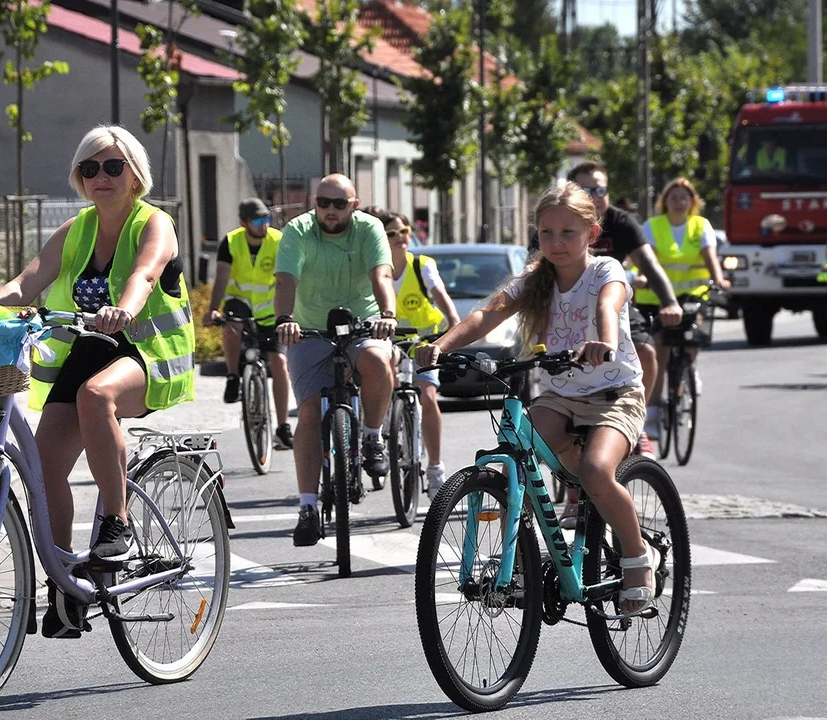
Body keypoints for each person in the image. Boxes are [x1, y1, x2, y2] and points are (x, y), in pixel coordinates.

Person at [0, 125, 194, 637]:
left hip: (146, 350)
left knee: (96, 395)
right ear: (79, 179)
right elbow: (27, 280)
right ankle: (66, 589)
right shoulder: (76, 230)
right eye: (89, 168)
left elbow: (144, 275)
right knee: (45, 464)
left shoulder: (155, 223)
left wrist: (123, 310)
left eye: (113, 166)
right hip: (88, 350)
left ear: (135, 172)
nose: (101, 177)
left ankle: (116, 525)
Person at [416, 181, 658, 615]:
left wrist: (603, 340)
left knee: (596, 473)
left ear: (592, 232)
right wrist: (442, 345)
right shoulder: (535, 279)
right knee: (516, 456)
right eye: (547, 233)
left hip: (614, 394)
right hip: (561, 397)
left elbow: (608, 305)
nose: (557, 243)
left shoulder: (606, 271)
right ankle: (524, 557)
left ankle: (638, 559)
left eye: (568, 233)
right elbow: (486, 313)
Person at [532, 162, 682, 528]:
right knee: (534, 440)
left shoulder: (620, 226)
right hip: (566, 363)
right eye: (588, 191)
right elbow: (508, 299)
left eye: (600, 191)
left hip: (612, 324)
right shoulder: (551, 244)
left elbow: (614, 298)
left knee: (645, 350)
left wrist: (669, 301)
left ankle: (635, 425)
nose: (595, 197)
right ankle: (532, 546)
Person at [275, 174, 398, 547]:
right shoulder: (297, 230)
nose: (329, 211)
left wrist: (388, 314)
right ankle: (308, 508)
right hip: (309, 329)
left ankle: (373, 436)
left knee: (378, 364)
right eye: (323, 203)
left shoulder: (370, 229)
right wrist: (285, 320)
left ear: (354, 205)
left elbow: (381, 274)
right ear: (315, 202)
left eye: (339, 204)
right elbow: (286, 280)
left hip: (363, 326)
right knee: (310, 414)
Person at [364, 206, 461, 500]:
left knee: (428, 394)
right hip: (388, 341)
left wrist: (454, 324)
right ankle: (377, 437)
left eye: (404, 231)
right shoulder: (374, 268)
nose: (400, 238)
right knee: (380, 378)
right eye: (391, 233)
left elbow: (440, 295)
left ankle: (434, 468)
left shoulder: (422, 265)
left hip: (422, 340)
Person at [637, 177, 730, 432]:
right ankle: (653, 412)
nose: (680, 202)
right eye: (674, 197)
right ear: (665, 202)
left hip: (691, 294)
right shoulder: (653, 226)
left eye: (684, 198)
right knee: (660, 349)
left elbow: (710, 256)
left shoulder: (701, 225)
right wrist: (643, 279)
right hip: (657, 297)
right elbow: (648, 260)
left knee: (694, 333)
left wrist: (719, 279)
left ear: (693, 202)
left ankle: (690, 367)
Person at [202, 197, 293, 449]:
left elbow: (290, 277)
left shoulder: (279, 241)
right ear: (244, 223)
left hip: (270, 308)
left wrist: (292, 312)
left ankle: (283, 427)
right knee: (232, 324)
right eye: (257, 220)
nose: (263, 225)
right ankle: (233, 376)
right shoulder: (231, 242)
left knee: (279, 361)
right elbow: (221, 278)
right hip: (239, 301)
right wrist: (212, 310)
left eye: (266, 219)